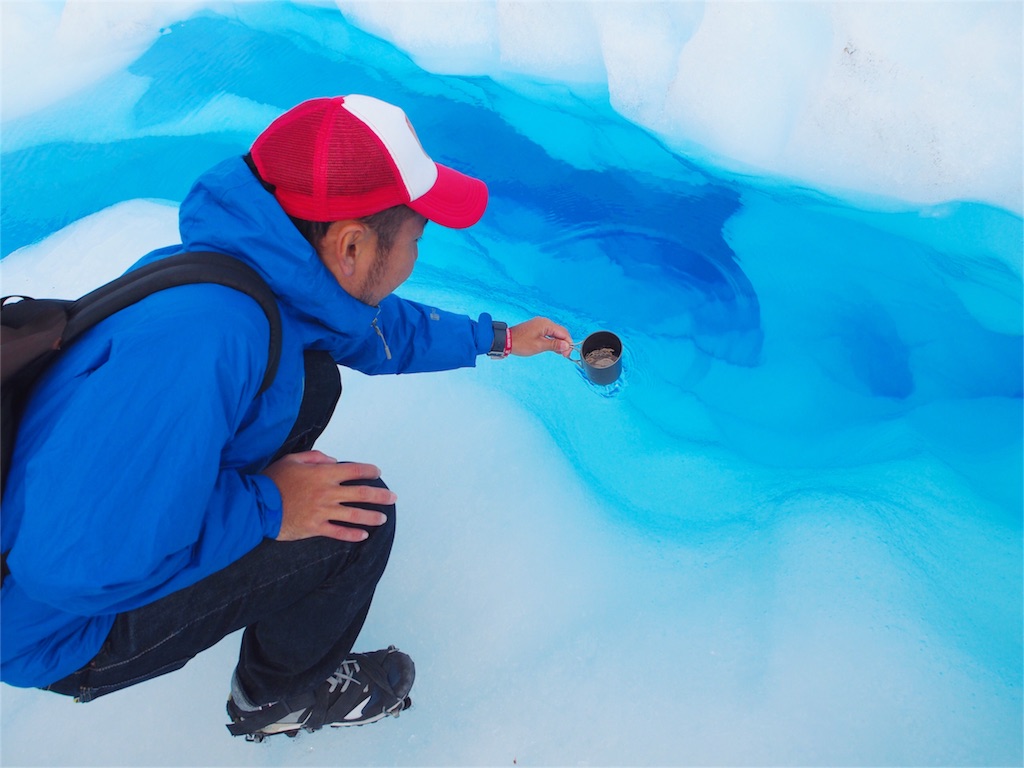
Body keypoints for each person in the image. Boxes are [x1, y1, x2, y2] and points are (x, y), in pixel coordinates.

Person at [0, 95, 573, 740]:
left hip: (92, 520)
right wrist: (271, 506)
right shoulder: (206, 344)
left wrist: (493, 337)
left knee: (311, 380)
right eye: (417, 237)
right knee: (359, 517)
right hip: (59, 628)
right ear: (351, 244)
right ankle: (277, 699)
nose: (418, 252)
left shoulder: (250, 269)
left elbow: (365, 325)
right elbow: (77, 567)